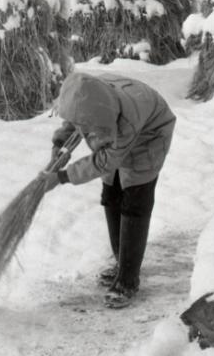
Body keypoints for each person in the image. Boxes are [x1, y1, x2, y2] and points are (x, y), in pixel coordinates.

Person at [41, 71, 176, 309]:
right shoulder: (87, 94)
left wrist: (61, 177)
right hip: (116, 126)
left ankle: (128, 279)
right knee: (111, 193)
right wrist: (59, 145)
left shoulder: (126, 120)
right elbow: (74, 120)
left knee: (135, 201)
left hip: (150, 135)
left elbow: (104, 161)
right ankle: (120, 262)